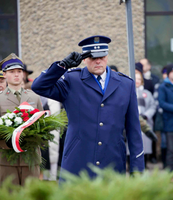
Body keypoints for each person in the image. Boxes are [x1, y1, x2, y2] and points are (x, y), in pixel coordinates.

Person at [31, 35, 144, 178]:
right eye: (92, 57)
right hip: (78, 163)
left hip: (112, 163)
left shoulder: (126, 84)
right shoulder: (71, 80)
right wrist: (61, 66)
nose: (98, 61)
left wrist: (137, 170)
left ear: (107, 56)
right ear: (84, 59)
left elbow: (134, 131)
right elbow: (39, 86)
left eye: (102, 56)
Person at [0, 53, 43, 186]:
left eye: (19, 71)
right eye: (12, 72)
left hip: (30, 155)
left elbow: (42, 125)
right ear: (5, 74)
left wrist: (34, 140)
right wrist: (8, 144)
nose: (17, 74)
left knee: (31, 194)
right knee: (10, 194)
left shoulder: (34, 97)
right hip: (7, 157)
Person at [135, 63, 156, 167]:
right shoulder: (128, 92)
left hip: (145, 123)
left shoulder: (147, 93)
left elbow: (153, 106)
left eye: (139, 79)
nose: (137, 81)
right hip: (133, 124)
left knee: (145, 148)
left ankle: (145, 167)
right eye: (135, 79)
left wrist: (146, 115)